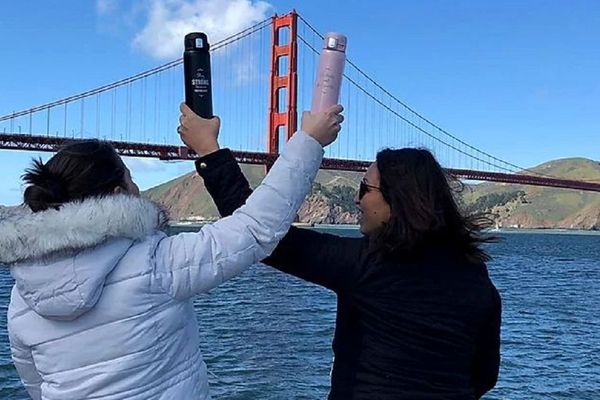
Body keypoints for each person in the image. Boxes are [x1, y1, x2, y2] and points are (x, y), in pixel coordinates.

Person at [0, 103, 344, 400]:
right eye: (132, 179)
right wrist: (309, 141)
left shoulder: (22, 295)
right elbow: (256, 228)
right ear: (119, 193)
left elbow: (36, 383)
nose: (139, 189)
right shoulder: (154, 265)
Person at [183, 110, 502, 399]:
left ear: (397, 201)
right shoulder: (476, 276)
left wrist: (209, 149)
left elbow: (256, 231)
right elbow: (484, 376)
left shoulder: (365, 265)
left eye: (365, 188)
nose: (356, 197)